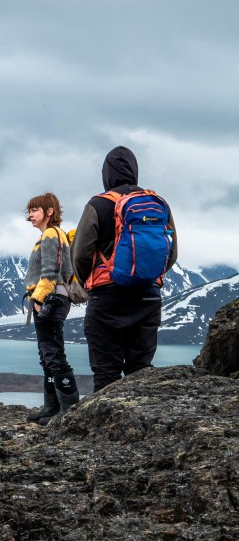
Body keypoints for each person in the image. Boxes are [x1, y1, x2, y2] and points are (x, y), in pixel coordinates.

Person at [71, 146, 179, 392]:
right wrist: (147, 276)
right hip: (148, 297)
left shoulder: (97, 205)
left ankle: (104, 427)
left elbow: (80, 254)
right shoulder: (157, 203)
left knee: (105, 371)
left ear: (106, 174)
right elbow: (171, 253)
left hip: (107, 298)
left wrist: (87, 281)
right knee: (140, 369)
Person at [23, 193, 78, 423]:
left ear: (50, 211)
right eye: (29, 210)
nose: (30, 214)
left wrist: (38, 298)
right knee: (47, 355)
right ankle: (51, 408)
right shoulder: (53, 235)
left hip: (51, 299)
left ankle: (68, 411)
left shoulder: (51, 234)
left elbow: (50, 270)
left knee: (54, 354)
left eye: (35, 209)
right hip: (50, 299)